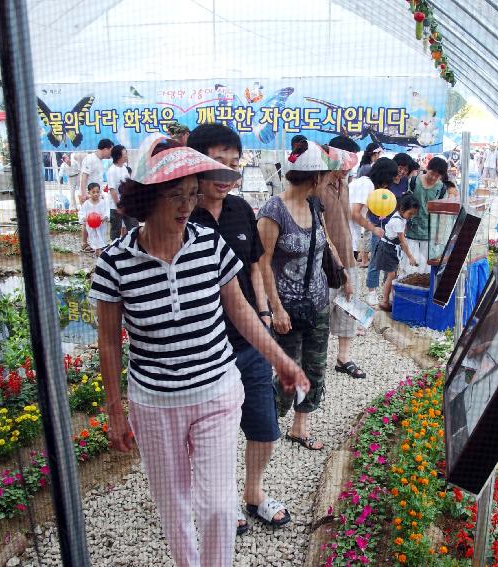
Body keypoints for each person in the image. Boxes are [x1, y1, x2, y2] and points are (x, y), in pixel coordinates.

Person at [91, 136, 308, 567]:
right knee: (174, 509)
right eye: (175, 195)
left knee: (218, 508)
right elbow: (109, 341)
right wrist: (114, 409)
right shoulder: (113, 263)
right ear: (146, 196)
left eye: (191, 194)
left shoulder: (209, 247)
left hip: (216, 393)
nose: (186, 206)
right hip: (154, 405)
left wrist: (282, 361)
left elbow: (241, 311)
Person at [186, 123, 290, 534]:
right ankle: (219, 501)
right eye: (218, 164)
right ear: (196, 164)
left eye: (234, 165)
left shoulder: (241, 210)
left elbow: (255, 266)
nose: (228, 174)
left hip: (248, 342)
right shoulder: (178, 213)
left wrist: (264, 316)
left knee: (262, 423)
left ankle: (254, 493)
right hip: (203, 350)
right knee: (212, 435)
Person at [257, 141, 355, 451]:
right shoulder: (273, 211)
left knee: (315, 367)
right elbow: (262, 263)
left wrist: (342, 271)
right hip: (286, 306)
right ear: (315, 178)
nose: (329, 180)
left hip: (317, 303)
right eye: (326, 176)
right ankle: (265, 422)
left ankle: (300, 428)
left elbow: (325, 241)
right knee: (289, 370)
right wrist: (275, 309)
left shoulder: (315, 205)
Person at [318, 135, 365, 379]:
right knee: (322, 308)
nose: (348, 171)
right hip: (324, 259)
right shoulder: (317, 185)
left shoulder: (345, 184)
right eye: (346, 165)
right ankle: (317, 358)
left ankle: (343, 358)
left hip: (348, 253)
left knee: (348, 307)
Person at [349, 157, 399, 306]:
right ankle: (348, 319)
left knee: (349, 280)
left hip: (349, 234)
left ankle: (349, 319)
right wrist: (373, 229)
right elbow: (355, 213)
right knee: (348, 280)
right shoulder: (368, 185)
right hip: (347, 235)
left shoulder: (362, 181)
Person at [372, 194, 420, 312]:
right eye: (410, 213)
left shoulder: (401, 217)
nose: (411, 216)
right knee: (391, 275)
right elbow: (402, 241)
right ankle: (384, 301)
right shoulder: (397, 221)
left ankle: (390, 298)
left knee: (392, 274)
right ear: (402, 209)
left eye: (413, 214)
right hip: (387, 249)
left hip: (391, 249)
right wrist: (410, 257)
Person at [402, 156, 447, 274]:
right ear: (427, 168)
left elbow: (442, 214)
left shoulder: (441, 189)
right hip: (411, 230)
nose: (433, 177)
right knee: (410, 265)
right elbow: (405, 204)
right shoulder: (413, 182)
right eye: (432, 173)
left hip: (429, 233)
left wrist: (439, 234)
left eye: (437, 176)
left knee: (426, 268)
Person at [79, 139, 113, 248]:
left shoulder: (99, 160)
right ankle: (84, 244)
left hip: (97, 194)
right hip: (89, 194)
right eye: (110, 151)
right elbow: (84, 177)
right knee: (87, 219)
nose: (111, 154)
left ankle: (97, 243)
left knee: (97, 218)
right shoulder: (90, 159)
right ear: (105, 149)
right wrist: (84, 195)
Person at [106, 144, 138, 239]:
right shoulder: (111, 171)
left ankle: (133, 245)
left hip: (127, 203)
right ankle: (114, 249)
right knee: (116, 229)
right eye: (125, 154)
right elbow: (112, 190)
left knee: (133, 226)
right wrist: (118, 205)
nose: (126, 156)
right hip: (116, 206)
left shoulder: (124, 168)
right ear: (119, 156)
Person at [78, 182, 109, 254]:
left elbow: (107, 211)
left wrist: (105, 217)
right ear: (89, 192)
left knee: (101, 236)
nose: (96, 194)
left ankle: (98, 249)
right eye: (93, 192)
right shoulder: (87, 203)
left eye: (98, 192)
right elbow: (81, 213)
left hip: (101, 224)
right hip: (91, 225)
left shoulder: (102, 202)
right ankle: (97, 250)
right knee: (93, 236)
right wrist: (84, 218)